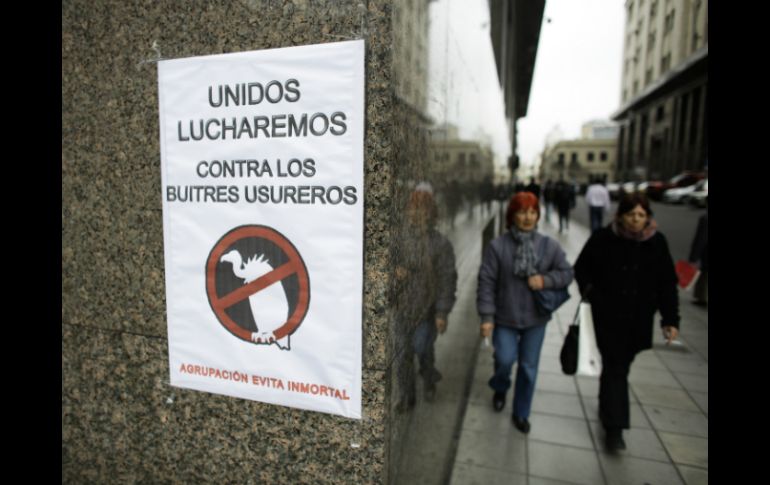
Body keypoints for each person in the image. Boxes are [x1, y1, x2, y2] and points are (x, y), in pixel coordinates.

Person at [574, 193, 680, 452]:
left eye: (641, 215)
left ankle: (607, 405)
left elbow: (667, 284)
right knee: (616, 367)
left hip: (637, 320)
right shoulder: (603, 238)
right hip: (607, 317)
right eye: (631, 214)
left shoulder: (657, 243)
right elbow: (581, 268)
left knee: (618, 368)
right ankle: (615, 429)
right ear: (620, 216)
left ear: (648, 217)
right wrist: (592, 294)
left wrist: (670, 319)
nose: (636, 219)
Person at [477, 192, 573, 433]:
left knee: (528, 368)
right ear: (512, 215)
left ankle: (521, 412)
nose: (528, 217)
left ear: (538, 215)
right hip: (505, 317)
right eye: (522, 212)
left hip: (535, 319)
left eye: (532, 212)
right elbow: (486, 282)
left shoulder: (549, 246)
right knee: (504, 360)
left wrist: (545, 280)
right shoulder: (498, 246)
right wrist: (487, 317)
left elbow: (567, 273)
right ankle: (500, 387)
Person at [394, 185, 458, 410]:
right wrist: (395, 274)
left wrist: (441, 312)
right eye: (413, 208)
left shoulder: (441, 243)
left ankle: (429, 375)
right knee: (402, 354)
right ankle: (406, 396)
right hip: (402, 307)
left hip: (427, 310)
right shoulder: (399, 239)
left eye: (422, 209)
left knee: (422, 347)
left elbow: (447, 279)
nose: (417, 213)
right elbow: (383, 268)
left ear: (431, 213)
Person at [688, 199, 708, 306]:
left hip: (705, 252)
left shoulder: (705, 218)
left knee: (703, 275)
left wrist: (693, 256)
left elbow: (701, 238)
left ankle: (702, 297)